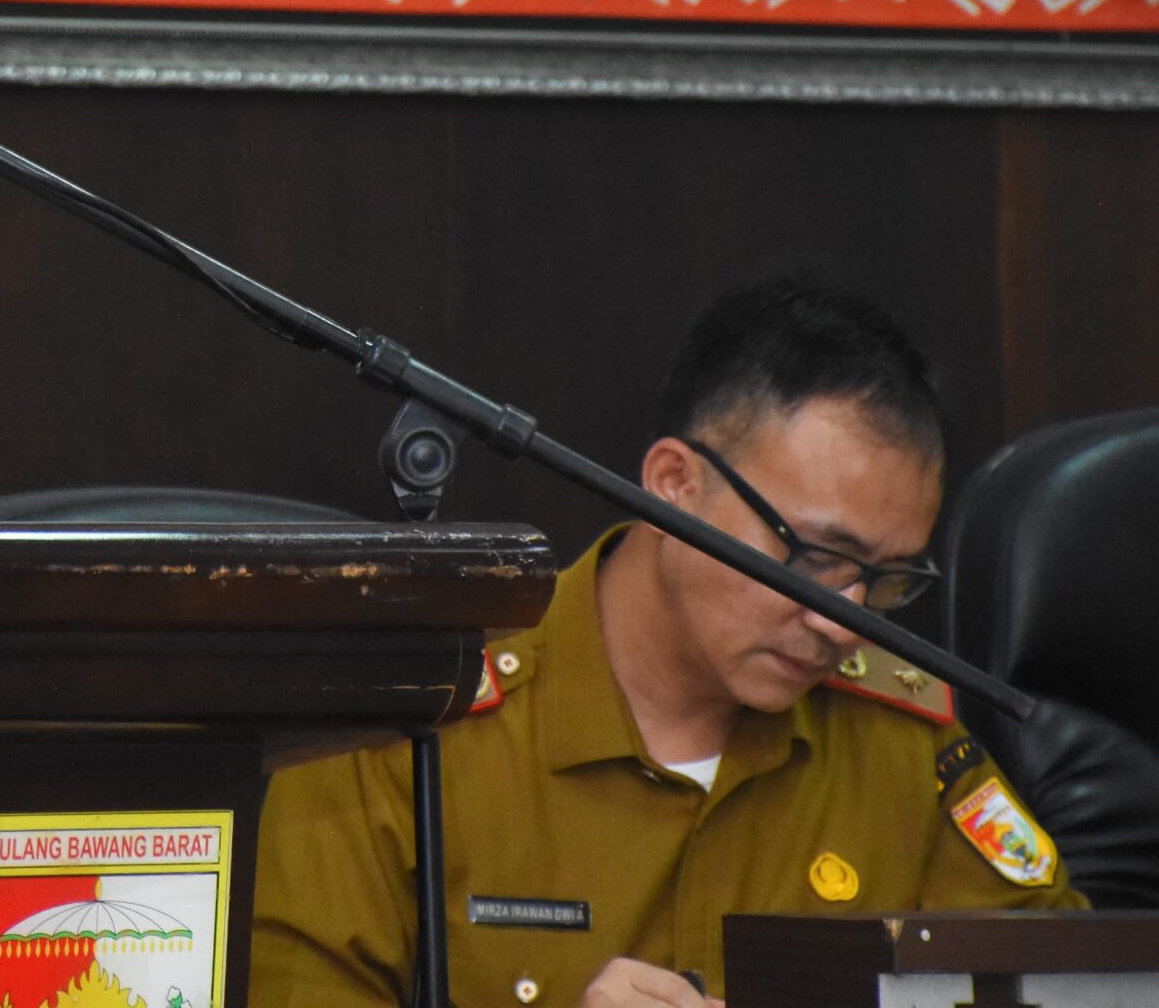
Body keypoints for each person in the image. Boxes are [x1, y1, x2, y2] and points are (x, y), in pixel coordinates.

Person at [251, 276, 1082, 1008]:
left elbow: (1075, 985)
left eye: (889, 579)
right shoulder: (405, 725)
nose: (843, 619)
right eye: (815, 558)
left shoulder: (902, 743)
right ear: (675, 486)